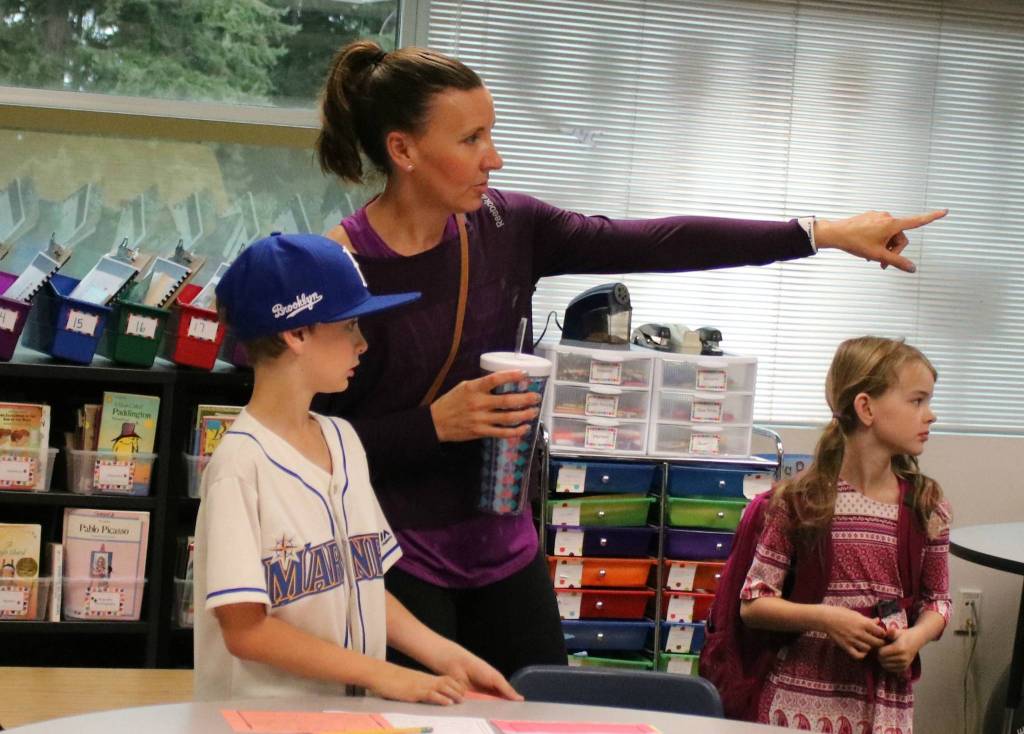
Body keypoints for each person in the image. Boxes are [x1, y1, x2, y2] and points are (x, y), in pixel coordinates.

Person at [312, 39, 949, 677]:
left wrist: (821, 233)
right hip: (393, 554)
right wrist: (433, 425)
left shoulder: (509, 228)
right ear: (404, 150)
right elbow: (302, 446)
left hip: (505, 546)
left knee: (545, 720)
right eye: (472, 139)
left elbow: (658, 241)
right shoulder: (338, 268)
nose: (494, 159)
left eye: (492, 134)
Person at [192, 232, 521, 703]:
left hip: (341, 717)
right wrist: (382, 674)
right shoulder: (239, 466)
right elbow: (246, 631)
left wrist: (445, 654)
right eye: (349, 326)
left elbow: (361, 584)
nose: (362, 343)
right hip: (259, 721)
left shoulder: (343, 441)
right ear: (297, 332)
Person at [739, 336, 951, 731]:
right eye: (917, 400)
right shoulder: (801, 501)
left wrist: (915, 639)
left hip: (884, 709)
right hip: (796, 707)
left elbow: (938, 602)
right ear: (866, 408)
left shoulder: (927, 505)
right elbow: (753, 602)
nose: (931, 414)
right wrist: (826, 618)